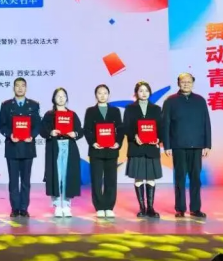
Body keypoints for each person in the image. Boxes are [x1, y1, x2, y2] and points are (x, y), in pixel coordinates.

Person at [162, 73, 211, 218]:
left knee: (196, 178)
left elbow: (206, 123)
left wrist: (207, 145)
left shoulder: (200, 100)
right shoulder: (170, 101)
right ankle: (180, 208)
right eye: (183, 81)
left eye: (189, 81)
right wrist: (167, 146)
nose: (186, 84)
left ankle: (195, 208)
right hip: (178, 145)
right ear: (178, 83)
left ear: (193, 83)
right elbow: (165, 124)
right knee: (180, 178)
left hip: (197, 145)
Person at [0, 78, 41, 218]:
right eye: (17, 86)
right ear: (13, 88)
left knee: (26, 181)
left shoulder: (33, 105)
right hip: (12, 147)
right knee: (13, 180)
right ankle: (15, 208)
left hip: (28, 147)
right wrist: (10, 134)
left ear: (26, 88)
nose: (20, 88)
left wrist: (32, 135)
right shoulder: (6, 105)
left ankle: (24, 208)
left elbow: (38, 125)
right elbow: (1, 125)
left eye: (23, 86)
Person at [40, 88, 84, 218]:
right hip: (55, 147)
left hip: (69, 146)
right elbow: (42, 130)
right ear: (54, 99)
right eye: (58, 96)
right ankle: (57, 205)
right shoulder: (49, 115)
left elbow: (80, 130)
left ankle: (66, 204)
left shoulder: (72, 114)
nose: (61, 98)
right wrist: (51, 132)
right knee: (56, 175)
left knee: (67, 176)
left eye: (63, 96)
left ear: (67, 98)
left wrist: (75, 133)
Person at [124, 81, 163, 218]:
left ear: (150, 92)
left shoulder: (156, 109)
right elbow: (126, 126)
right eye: (141, 91)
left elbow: (161, 127)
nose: (144, 93)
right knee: (139, 177)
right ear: (136, 93)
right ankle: (142, 208)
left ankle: (150, 208)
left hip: (151, 147)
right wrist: (134, 136)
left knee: (151, 178)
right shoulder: (130, 109)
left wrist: (159, 139)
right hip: (137, 147)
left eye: (146, 90)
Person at [84, 84, 124, 219]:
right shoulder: (90, 111)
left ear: (109, 95)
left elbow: (120, 129)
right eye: (99, 93)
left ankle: (109, 206)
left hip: (111, 150)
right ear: (96, 95)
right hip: (96, 150)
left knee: (111, 179)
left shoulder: (115, 111)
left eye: (105, 93)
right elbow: (87, 129)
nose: (102, 95)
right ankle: (99, 207)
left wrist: (118, 143)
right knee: (96, 180)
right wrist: (93, 142)